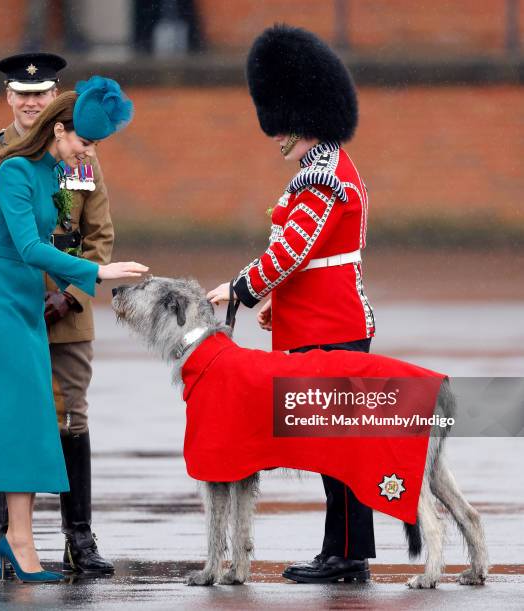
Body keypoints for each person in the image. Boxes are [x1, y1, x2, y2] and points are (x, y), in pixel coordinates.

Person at [207, 25, 376, 584]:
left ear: (305, 118)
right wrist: (279, 307)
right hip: (318, 320)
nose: (277, 138)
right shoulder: (321, 169)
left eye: (284, 127)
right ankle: (339, 550)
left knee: (340, 449)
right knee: (331, 449)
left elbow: (291, 252)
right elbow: (315, 259)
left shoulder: (322, 178)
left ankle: (348, 555)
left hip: (332, 327)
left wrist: (239, 289)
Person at [0, 76, 148, 583]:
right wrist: (97, 273)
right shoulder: (13, 169)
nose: (88, 155)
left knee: (30, 423)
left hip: (31, 300)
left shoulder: (60, 170)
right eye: (84, 144)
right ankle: (15, 539)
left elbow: (85, 230)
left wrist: (72, 290)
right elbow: (26, 247)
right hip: (3, 302)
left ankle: (25, 540)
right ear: (61, 129)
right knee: (13, 420)